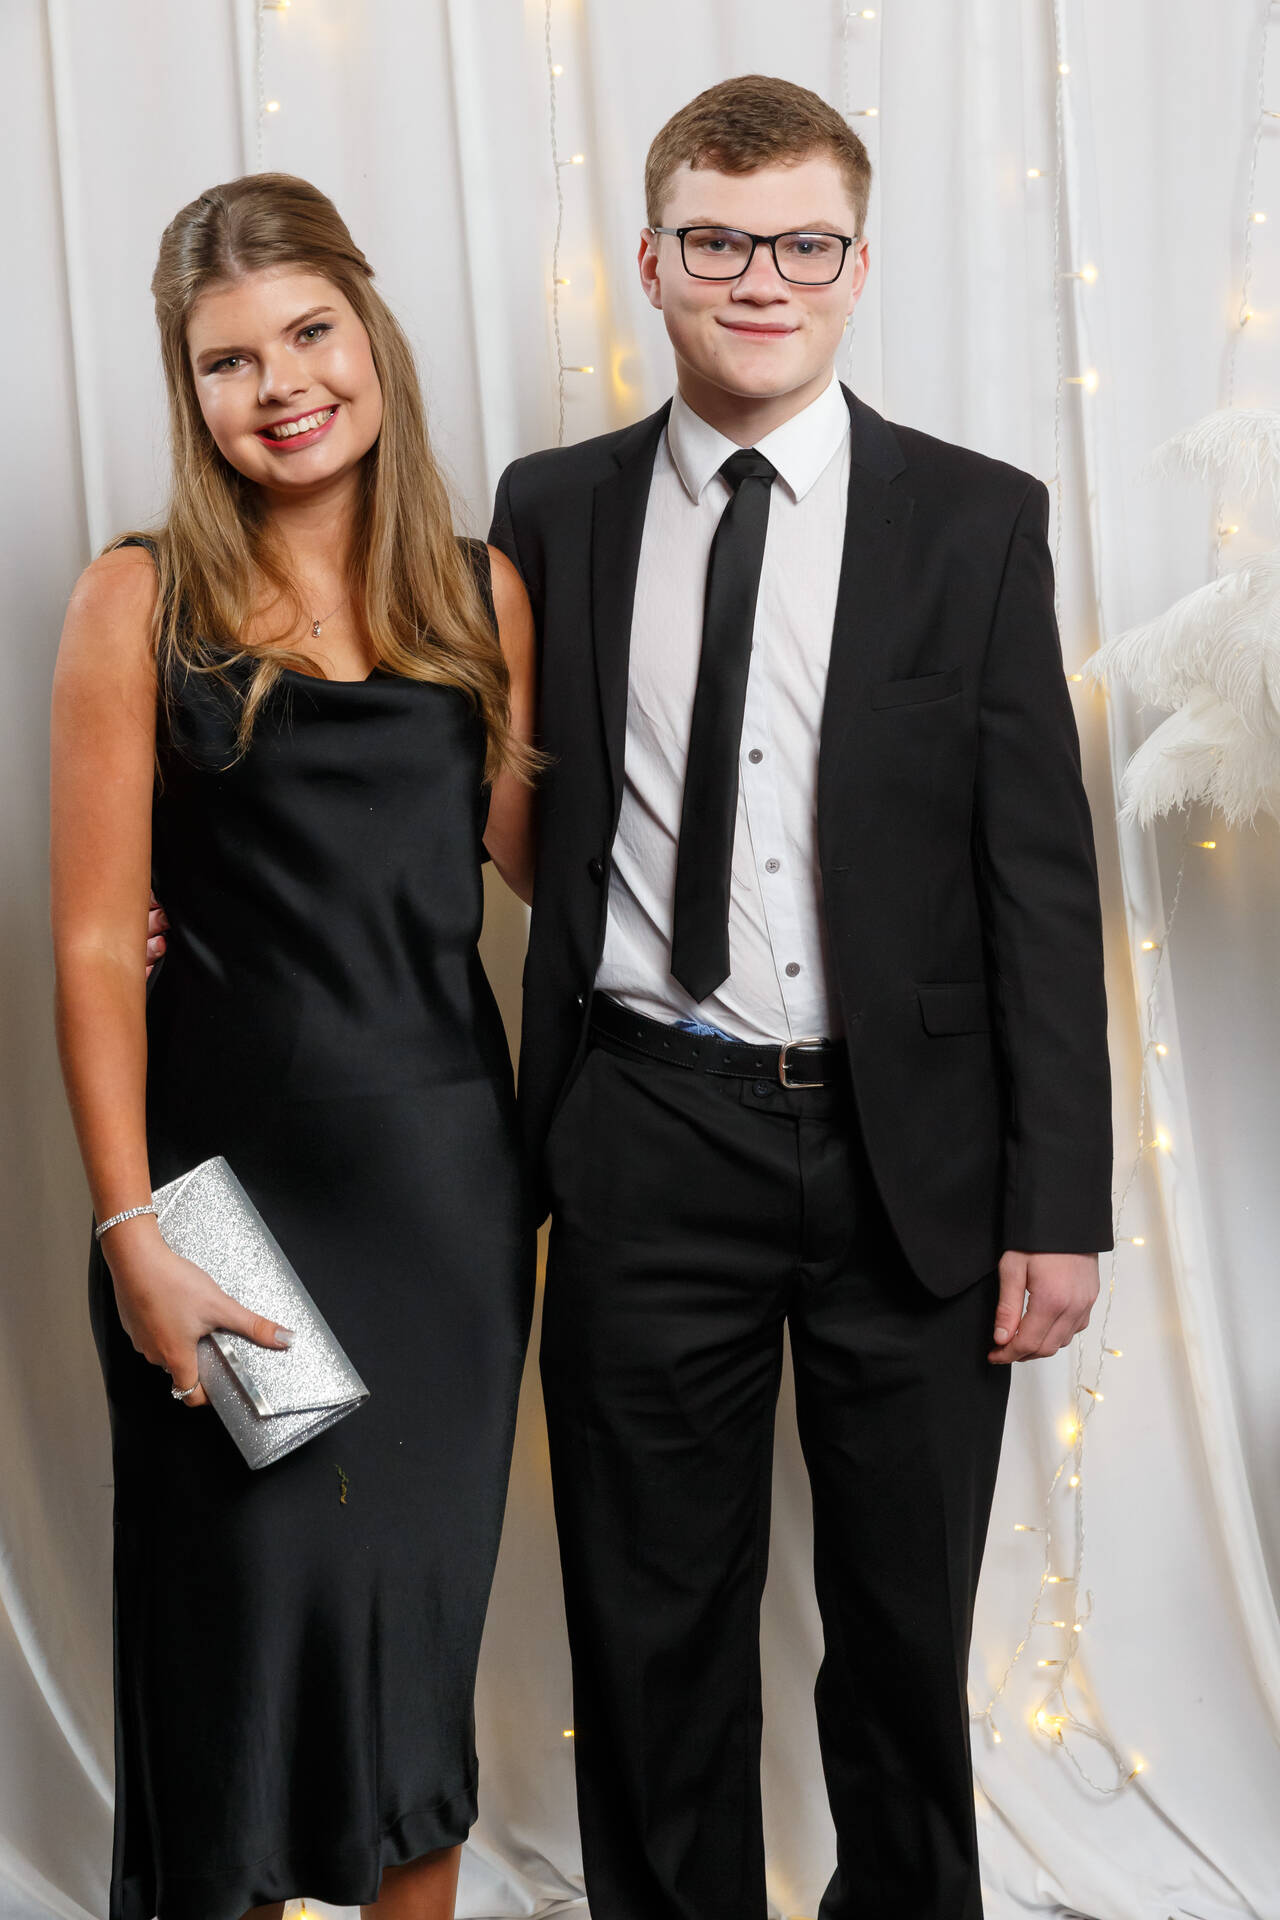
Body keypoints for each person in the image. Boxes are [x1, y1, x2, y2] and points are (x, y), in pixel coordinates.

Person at [488, 75, 1113, 1920]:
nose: (761, 279)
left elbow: (1038, 881)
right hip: (644, 1127)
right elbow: (484, 787)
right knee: (649, 1632)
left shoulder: (976, 518)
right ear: (652, 263)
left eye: (804, 245)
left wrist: (1058, 1202)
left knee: (904, 1639)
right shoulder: (552, 511)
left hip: (911, 1158)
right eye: (718, 242)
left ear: (857, 265)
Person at [51, 173, 538, 1920]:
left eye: (310, 332)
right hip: (222, 1213)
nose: (282, 386)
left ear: (369, 328)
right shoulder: (137, 599)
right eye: (228, 360)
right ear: (187, 391)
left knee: (412, 1662)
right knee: (237, 1676)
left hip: (444, 1215)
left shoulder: (483, 595)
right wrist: (133, 1234)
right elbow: (95, 944)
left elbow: (559, 877)